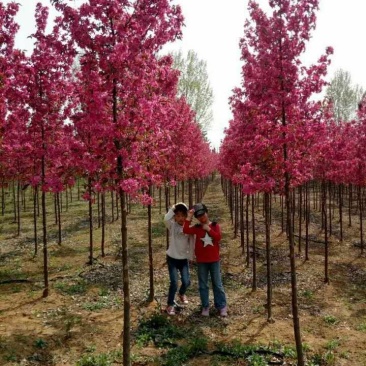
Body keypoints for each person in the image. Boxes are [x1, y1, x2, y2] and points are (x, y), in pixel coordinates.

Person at [183, 203, 227, 317]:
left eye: (203, 215)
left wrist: (208, 229)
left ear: (207, 213)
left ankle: (221, 306)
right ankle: (205, 306)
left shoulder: (215, 225)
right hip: (202, 261)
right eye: (199, 216)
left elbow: (218, 238)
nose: (202, 218)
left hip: (214, 260)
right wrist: (189, 217)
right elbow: (186, 230)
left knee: (217, 284)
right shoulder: (197, 228)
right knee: (203, 285)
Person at [164, 202, 194, 315]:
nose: (180, 218)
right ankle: (170, 304)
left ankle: (181, 293)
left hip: (183, 260)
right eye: (178, 215)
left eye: (183, 215)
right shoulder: (172, 226)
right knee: (174, 282)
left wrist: (191, 257)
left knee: (186, 282)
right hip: (172, 258)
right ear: (175, 217)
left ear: (186, 216)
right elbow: (166, 219)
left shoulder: (189, 228)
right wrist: (173, 208)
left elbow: (192, 243)